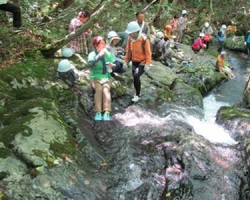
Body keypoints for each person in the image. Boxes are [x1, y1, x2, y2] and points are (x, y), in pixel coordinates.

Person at [88, 36, 116, 121]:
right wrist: (99, 55)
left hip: (106, 76)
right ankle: (98, 112)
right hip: (95, 77)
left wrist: (112, 65)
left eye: (104, 43)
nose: (103, 45)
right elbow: (91, 64)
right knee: (99, 90)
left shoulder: (106, 53)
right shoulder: (92, 54)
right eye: (101, 44)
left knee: (106, 90)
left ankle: (107, 112)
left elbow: (114, 62)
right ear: (96, 45)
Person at [124, 21, 152, 102]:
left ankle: (137, 94)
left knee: (136, 75)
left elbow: (148, 53)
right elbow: (128, 51)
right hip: (134, 61)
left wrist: (147, 64)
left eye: (131, 33)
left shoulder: (144, 39)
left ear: (136, 31)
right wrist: (126, 61)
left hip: (142, 61)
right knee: (135, 77)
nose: (130, 34)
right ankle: (137, 92)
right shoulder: (130, 39)